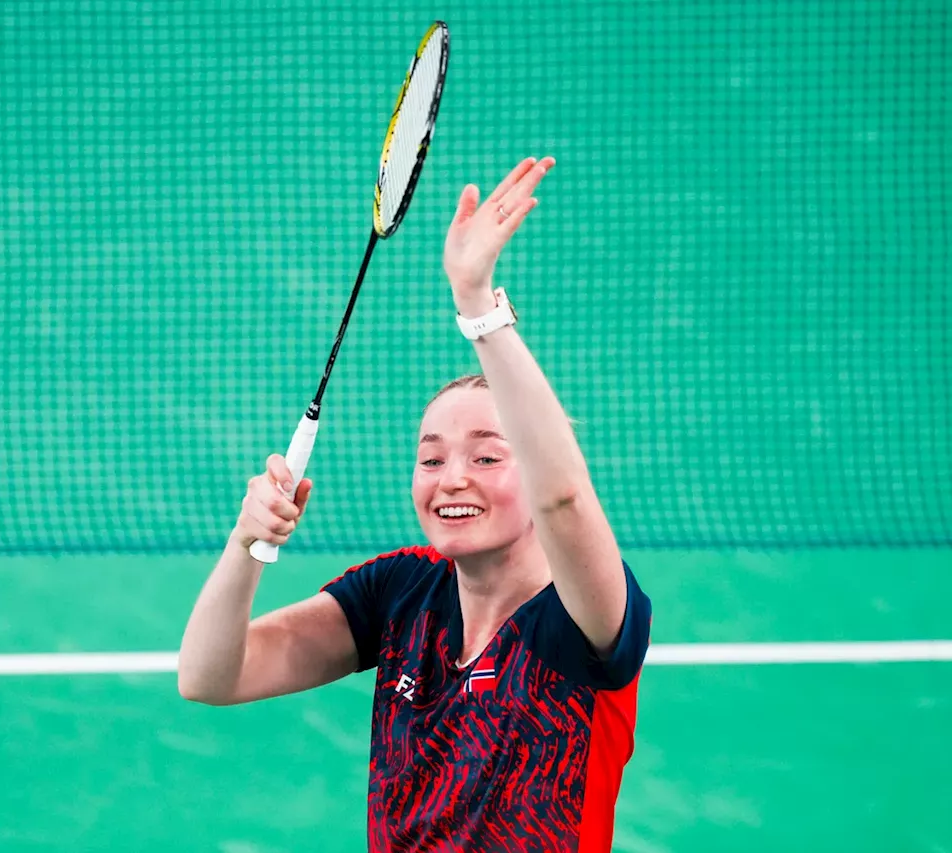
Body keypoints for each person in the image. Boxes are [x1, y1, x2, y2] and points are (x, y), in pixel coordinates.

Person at [178, 156, 652, 852]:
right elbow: (210, 674)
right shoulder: (401, 593)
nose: (451, 477)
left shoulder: (583, 618)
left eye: (488, 455)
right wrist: (246, 544)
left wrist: (479, 307)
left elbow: (564, 498)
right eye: (431, 458)